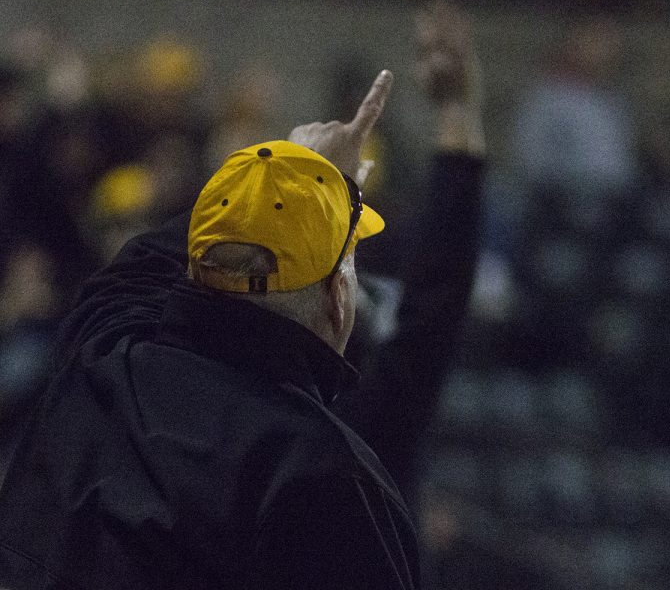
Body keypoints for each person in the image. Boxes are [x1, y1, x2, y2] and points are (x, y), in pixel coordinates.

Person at [0, 70, 425, 589]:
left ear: (196, 271)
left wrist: (284, 171)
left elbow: (138, 269)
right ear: (338, 298)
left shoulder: (99, 362)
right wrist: (298, 170)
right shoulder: (328, 479)